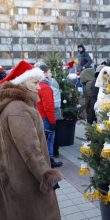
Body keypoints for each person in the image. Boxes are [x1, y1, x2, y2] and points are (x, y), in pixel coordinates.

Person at [0, 61, 62, 220]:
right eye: (35, 82)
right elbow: (29, 149)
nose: (39, 87)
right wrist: (45, 174)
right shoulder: (19, 109)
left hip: (17, 175)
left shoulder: (17, 105)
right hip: (27, 180)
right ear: (22, 81)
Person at [37, 65, 63, 168]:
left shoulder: (37, 85)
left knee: (43, 140)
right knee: (49, 140)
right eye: (49, 72)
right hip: (46, 119)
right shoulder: (46, 88)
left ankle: (45, 160)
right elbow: (48, 107)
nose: (50, 74)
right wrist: (52, 122)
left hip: (39, 117)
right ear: (44, 74)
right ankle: (50, 160)